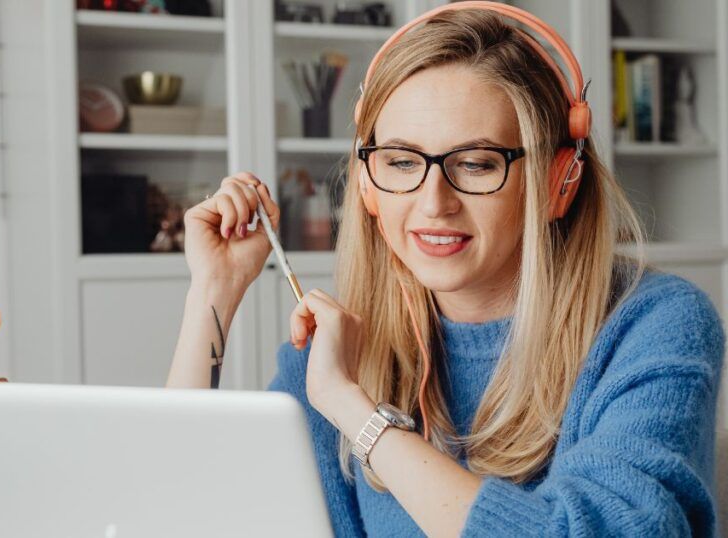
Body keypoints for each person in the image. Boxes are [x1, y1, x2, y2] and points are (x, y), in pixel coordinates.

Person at [166, 4, 724, 536]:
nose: (434, 202)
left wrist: (355, 412)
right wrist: (213, 293)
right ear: (367, 182)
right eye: (403, 161)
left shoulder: (655, 323)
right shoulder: (333, 352)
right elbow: (180, 509)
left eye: (477, 163)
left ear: (560, 182)